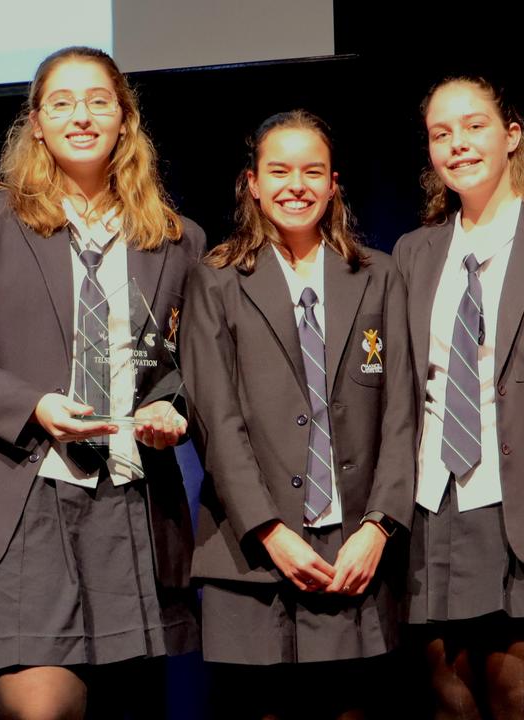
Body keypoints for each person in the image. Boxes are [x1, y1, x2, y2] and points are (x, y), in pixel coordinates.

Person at [0, 46, 204, 720]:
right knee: (44, 710)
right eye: (62, 102)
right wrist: (32, 405)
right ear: (37, 123)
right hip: (20, 506)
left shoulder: (176, 240)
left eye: (100, 101)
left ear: (126, 120)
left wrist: (169, 409)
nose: (82, 116)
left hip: (129, 510)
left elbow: (186, 371)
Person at [181, 110, 415, 719]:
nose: (296, 185)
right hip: (252, 555)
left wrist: (379, 526)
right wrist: (268, 530)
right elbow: (216, 421)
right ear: (252, 184)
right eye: (278, 170)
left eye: (312, 171)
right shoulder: (217, 280)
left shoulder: (378, 274)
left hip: (353, 553)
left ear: (334, 182)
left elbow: (402, 415)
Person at [394, 77, 524, 719]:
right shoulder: (415, 253)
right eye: (441, 134)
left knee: (519, 703)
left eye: (474, 126)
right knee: (451, 706)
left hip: (522, 504)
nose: (458, 144)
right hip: (435, 505)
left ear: (511, 136)